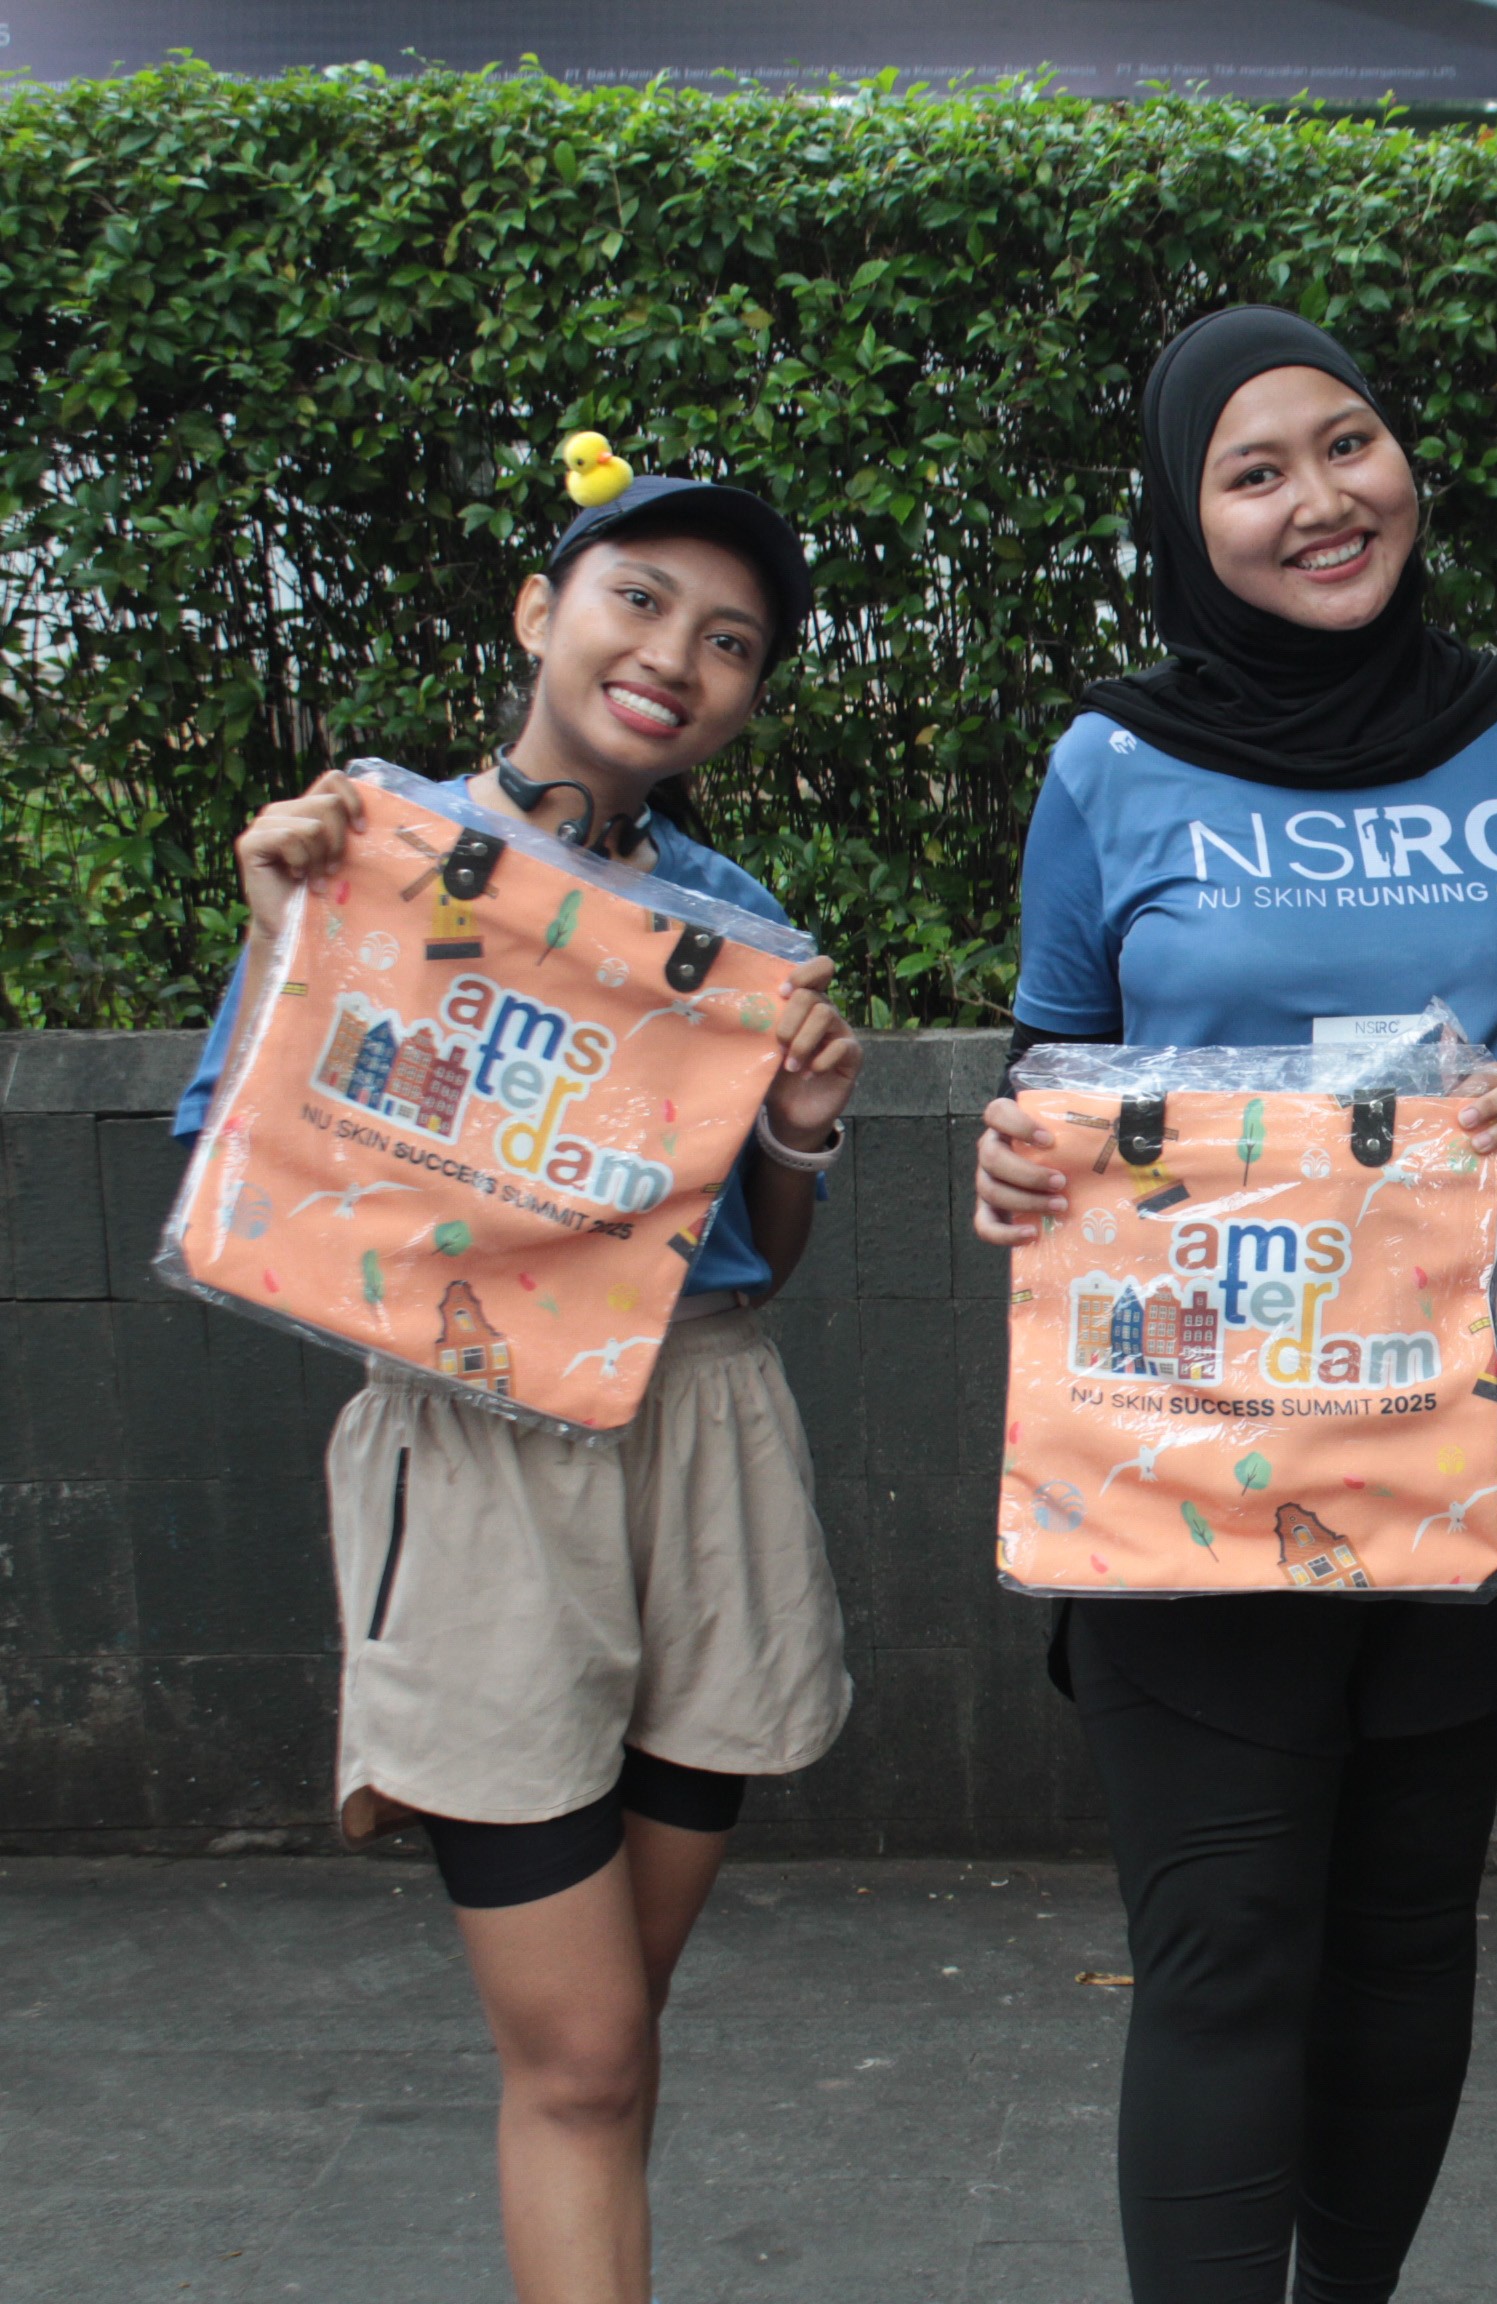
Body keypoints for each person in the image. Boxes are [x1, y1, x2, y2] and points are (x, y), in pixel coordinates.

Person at [966, 305, 1497, 2304]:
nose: (1320, 500)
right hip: (1183, 1475)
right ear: (1186, 523)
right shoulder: (1111, 764)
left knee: (1403, 1946)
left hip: (1485, 1456)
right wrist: (1016, 1157)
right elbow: (1056, 1070)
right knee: (1223, 1952)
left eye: (1347, 444)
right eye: (1253, 473)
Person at [174, 470, 857, 2304]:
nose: (677, 657)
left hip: (701, 1436)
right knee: (583, 2054)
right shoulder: (374, 846)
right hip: (477, 1449)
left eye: (731, 641)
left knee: (615, 2037)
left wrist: (798, 1130)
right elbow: (242, 1179)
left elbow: (755, 1255)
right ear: (538, 610)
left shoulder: (735, 923)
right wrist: (287, 937)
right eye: (639, 600)